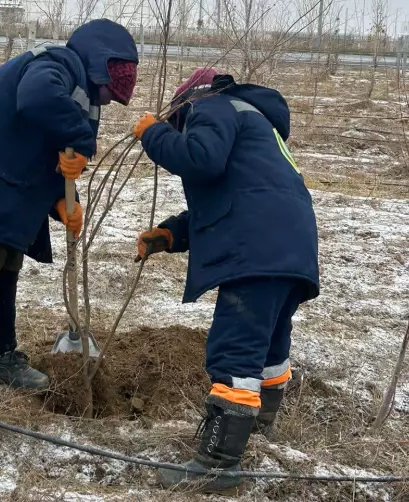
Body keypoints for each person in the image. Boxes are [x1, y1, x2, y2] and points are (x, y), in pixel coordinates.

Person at [0, 19, 138, 400]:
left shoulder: (85, 96)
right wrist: (81, 140)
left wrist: (66, 201)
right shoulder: (57, 64)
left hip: (3, 193)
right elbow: (37, 99)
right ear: (98, 64)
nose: (108, 99)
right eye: (108, 89)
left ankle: (1, 357)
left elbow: (52, 150)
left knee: (3, 276)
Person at [133, 69, 319, 492]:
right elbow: (238, 196)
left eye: (180, 122)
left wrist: (153, 134)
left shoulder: (212, 106)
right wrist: (170, 235)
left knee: (234, 350)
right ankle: (259, 427)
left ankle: (218, 464)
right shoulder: (255, 121)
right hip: (290, 247)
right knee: (269, 344)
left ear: (186, 104)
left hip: (256, 251)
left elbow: (202, 159)